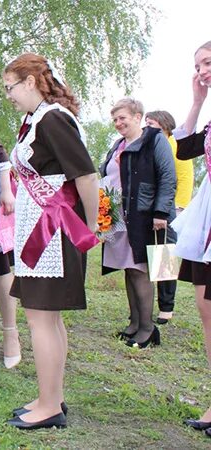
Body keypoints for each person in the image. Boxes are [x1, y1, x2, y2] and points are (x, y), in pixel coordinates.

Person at [1, 53, 99, 430]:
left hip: (52, 235)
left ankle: (48, 405)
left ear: (30, 82)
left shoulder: (53, 119)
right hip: (39, 230)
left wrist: (87, 229)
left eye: (11, 87)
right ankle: (51, 396)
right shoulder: (35, 120)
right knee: (47, 319)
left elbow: (86, 176)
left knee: (41, 320)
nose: (8, 95)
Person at [100, 98, 175, 349]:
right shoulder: (117, 144)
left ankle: (148, 328)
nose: (118, 123)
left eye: (122, 117)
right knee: (127, 268)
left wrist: (161, 212)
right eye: (115, 119)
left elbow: (167, 176)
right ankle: (134, 322)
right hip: (117, 216)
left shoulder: (154, 139)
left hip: (142, 214)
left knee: (140, 269)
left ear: (137, 116)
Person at [170, 40, 211, 439]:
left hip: (189, 211)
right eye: (198, 64)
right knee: (206, 311)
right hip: (206, 221)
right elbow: (183, 150)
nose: (202, 69)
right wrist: (197, 101)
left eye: (208, 63)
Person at [145, 110, 192, 324]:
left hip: (170, 208)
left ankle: (166, 307)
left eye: (151, 122)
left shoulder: (176, 144)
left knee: (164, 256)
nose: (147, 126)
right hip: (149, 206)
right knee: (150, 256)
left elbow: (183, 177)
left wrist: (179, 207)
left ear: (164, 125)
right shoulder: (147, 144)